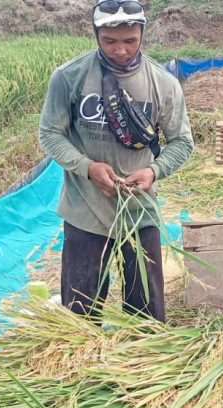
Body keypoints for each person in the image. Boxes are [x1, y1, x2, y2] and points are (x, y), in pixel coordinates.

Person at [38, 0, 193, 322]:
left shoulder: (162, 84)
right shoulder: (69, 77)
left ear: (142, 35)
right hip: (85, 210)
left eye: (129, 41)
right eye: (110, 42)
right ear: (96, 36)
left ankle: (139, 362)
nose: (120, 50)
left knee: (146, 311)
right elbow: (50, 134)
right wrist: (87, 168)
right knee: (80, 309)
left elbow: (181, 142)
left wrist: (154, 170)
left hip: (139, 212)